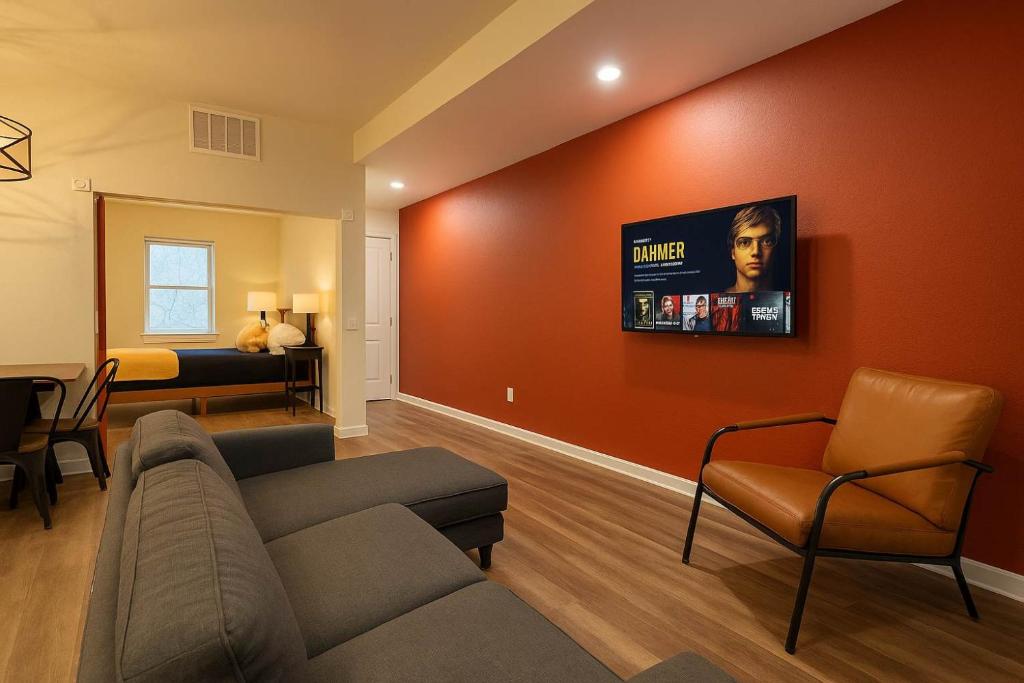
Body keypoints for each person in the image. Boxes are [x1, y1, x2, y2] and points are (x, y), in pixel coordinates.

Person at [725, 204, 781, 293]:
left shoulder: (786, 301)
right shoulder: (714, 301)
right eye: (744, 242)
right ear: (733, 252)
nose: (756, 252)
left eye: (767, 241)